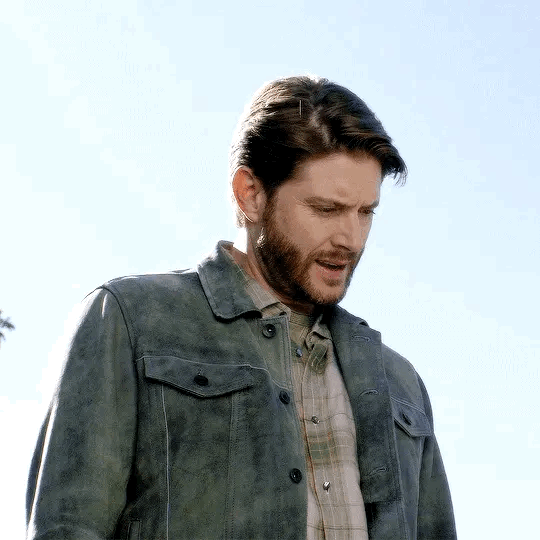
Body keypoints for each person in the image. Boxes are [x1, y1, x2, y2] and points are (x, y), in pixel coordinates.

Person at [26, 75, 456, 540]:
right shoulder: (128, 321)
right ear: (250, 193)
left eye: (365, 212)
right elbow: (66, 528)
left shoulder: (401, 383)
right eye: (326, 209)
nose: (350, 239)